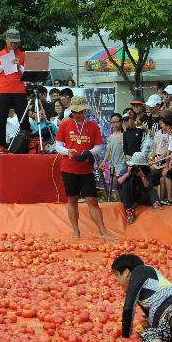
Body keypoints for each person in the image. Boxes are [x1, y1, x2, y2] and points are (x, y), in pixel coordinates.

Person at [54, 97, 114, 239]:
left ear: (85, 110)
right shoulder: (65, 124)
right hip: (69, 168)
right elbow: (57, 145)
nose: (77, 114)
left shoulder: (93, 126)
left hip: (86, 169)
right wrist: (67, 151)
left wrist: (88, 152)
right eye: (74, 111)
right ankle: (76, 231)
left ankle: (103, 232)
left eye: (80, 111)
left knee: (92, 200)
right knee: (72, 199)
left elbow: (99, 147)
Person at [0, 29, 27, 152]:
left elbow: (27, 73)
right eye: (11, 42)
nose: (13, 45)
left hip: (19, 90)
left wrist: (19, 65)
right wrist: (2, 66)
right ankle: (0, 145)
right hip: (3, 90)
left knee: (24, 118)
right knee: (1, 119)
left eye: (16, 43)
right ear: (6, 41)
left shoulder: (22, 55)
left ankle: (25, 143)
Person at [117, 152, 161, 224]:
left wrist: (142, 176)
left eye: (139, 166)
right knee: (125, 184)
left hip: (141, 195)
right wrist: (128, 174)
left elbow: (149, 186)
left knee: (152, 190)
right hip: (129, 196)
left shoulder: (147, 170)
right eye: (136, 166)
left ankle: (156, 204)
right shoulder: (127, 168)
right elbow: (118, 183)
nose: (137, 168)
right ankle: (129, 211)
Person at [103, 114, 126, 181]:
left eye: (117, 122)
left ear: (121, 122)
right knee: (114, 186)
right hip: (113, 165)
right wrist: (104, 162)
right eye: (113, 122)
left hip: (122, 165)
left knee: (121, 185)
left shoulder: (125, 135)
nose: (115, 124)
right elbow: (108, 150)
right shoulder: (111, 136)